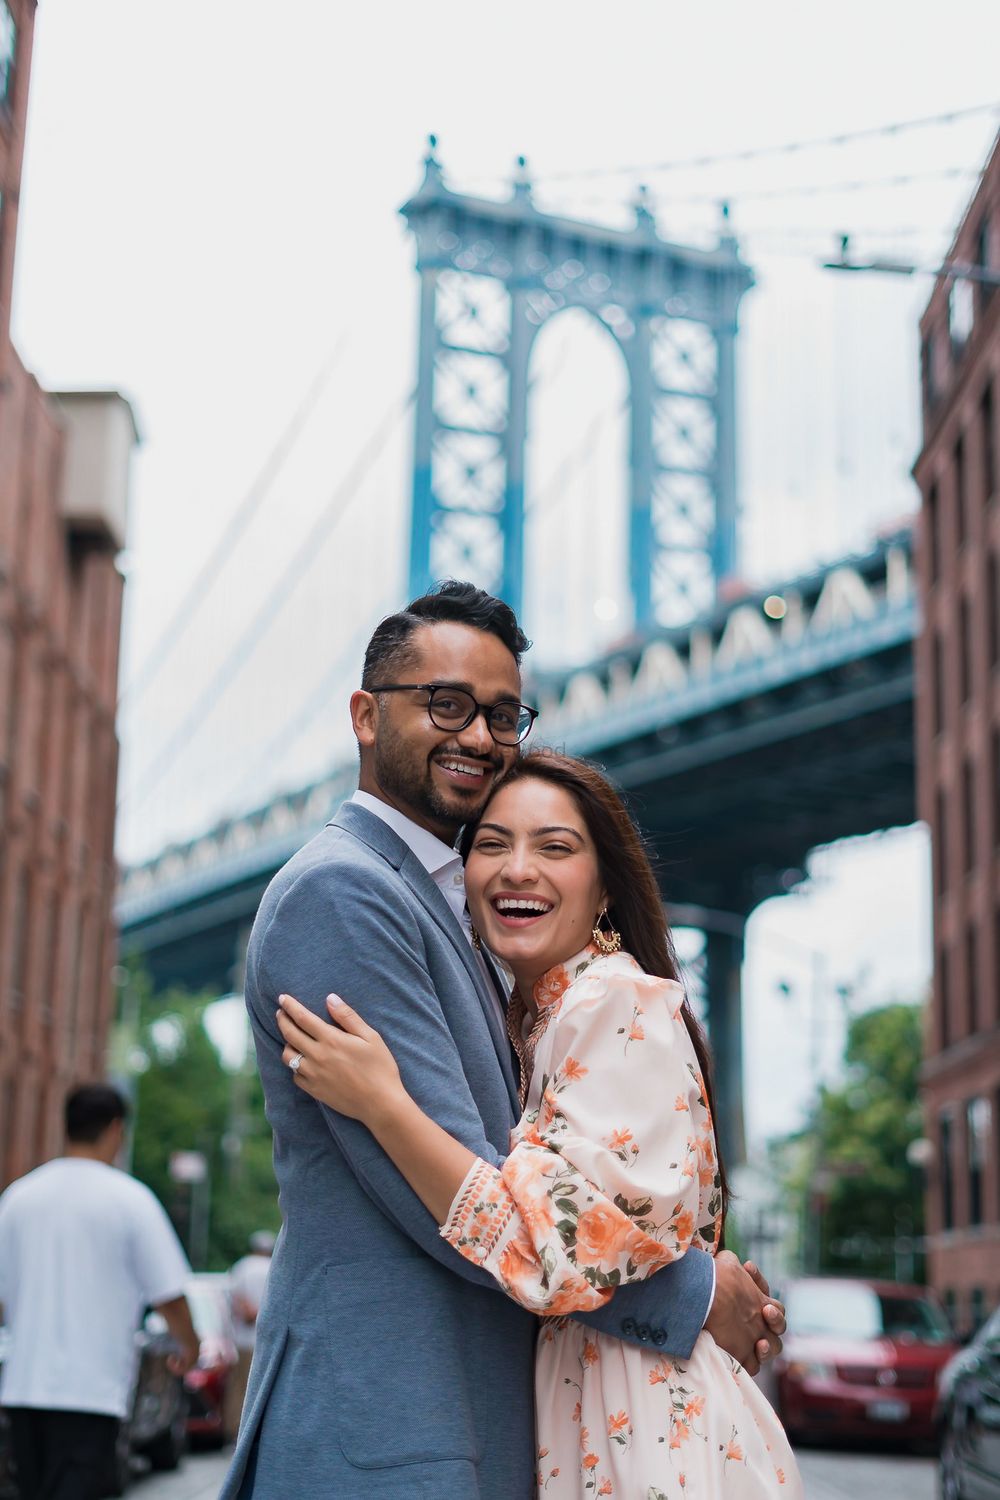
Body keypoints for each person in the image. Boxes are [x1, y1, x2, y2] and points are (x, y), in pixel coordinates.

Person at [220, 581, 784, 1500]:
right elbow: (451, 1199)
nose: (478, 736)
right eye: (445, 704)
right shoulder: (344, 893)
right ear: (365, 716)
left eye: (501, 714)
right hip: (392, 1426)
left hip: (473, 1423)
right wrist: (691, 1295)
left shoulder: (490, 933)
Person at [0, 1083, 199, 1500]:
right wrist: (189, 1346)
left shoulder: (19, 1197)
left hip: (22, 1388)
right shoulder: (129, 1199)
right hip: (89, 1392)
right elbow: (169, 1292)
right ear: (115, 1129)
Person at [224, 1230, 275, 1441]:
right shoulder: (274, 1265)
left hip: (244, 1340)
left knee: (239, 1388)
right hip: (267, 1340)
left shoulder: (242, 1267)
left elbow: (235, 1299)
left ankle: (234, 1432)